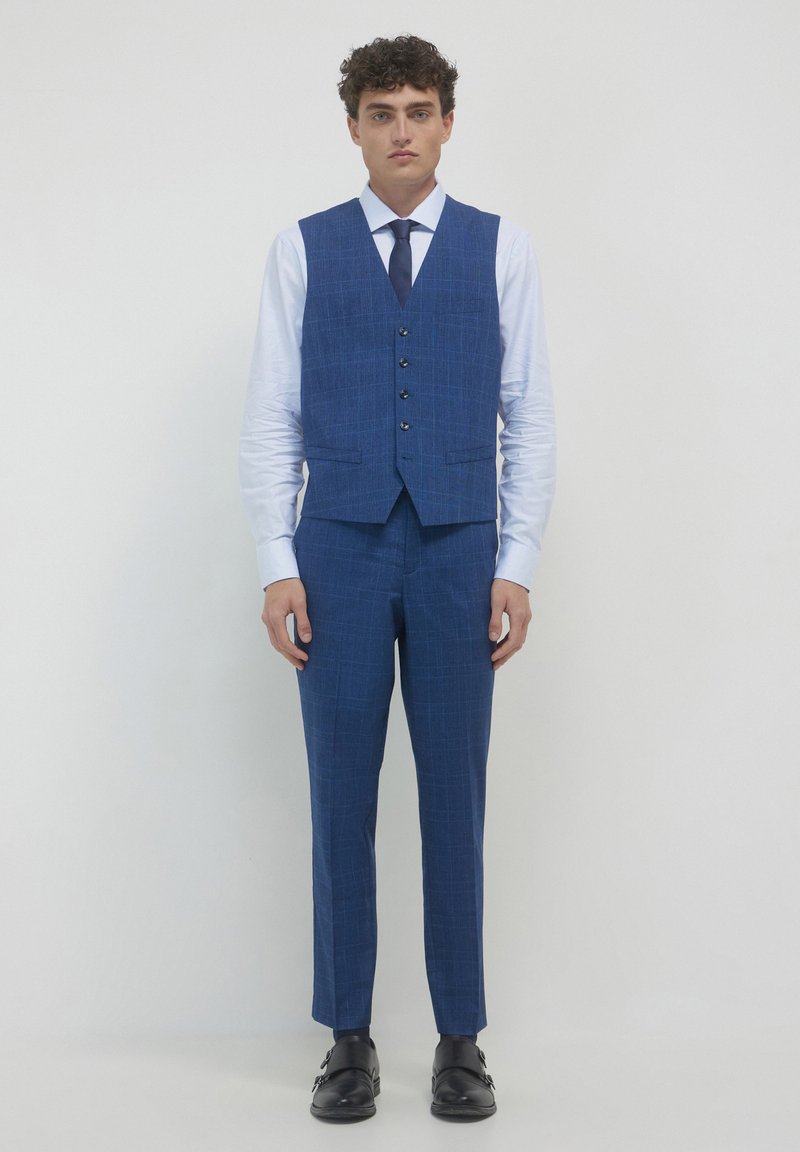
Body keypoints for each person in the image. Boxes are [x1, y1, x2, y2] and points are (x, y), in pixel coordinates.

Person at [239, 34, 555, 1122]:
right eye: (382, 113)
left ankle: (461, 1039)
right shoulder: (302, 248)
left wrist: (516, 562)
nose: (402, 130)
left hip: (461, 549)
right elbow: (271, 415)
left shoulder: (502, 247)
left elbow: (531, 415)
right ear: (354, 128)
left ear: (447, 123)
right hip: (335, 546)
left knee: (454, 795)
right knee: (339, 791)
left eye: (419, 110)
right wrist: (277, 563)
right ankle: (348, 1038)